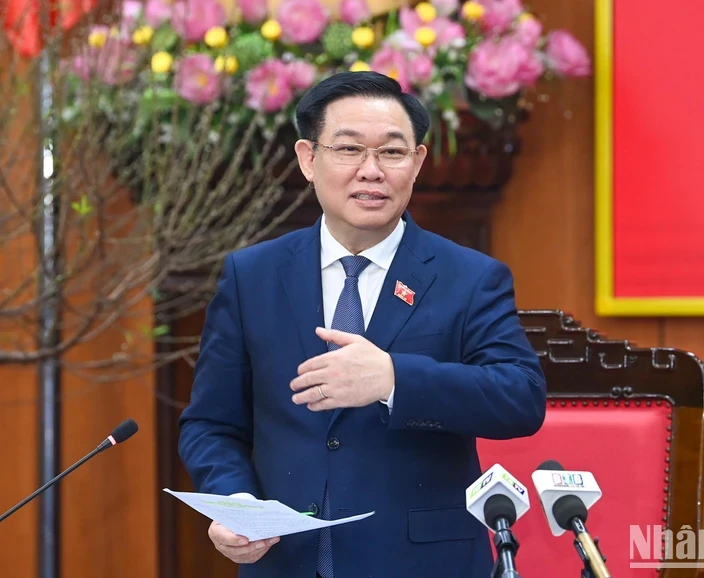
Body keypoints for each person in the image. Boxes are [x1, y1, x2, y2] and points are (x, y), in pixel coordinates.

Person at [177, 71, 547, 578]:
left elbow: (520, 398)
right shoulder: (253, 275)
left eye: (392, 153)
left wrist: (394, 379)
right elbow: (211, 423)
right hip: (284, 561)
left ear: (416, 163)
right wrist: (233, 501)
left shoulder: (470, 277)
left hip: (422, 563)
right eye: (348, 150)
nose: (371, 171)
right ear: (309, 159)